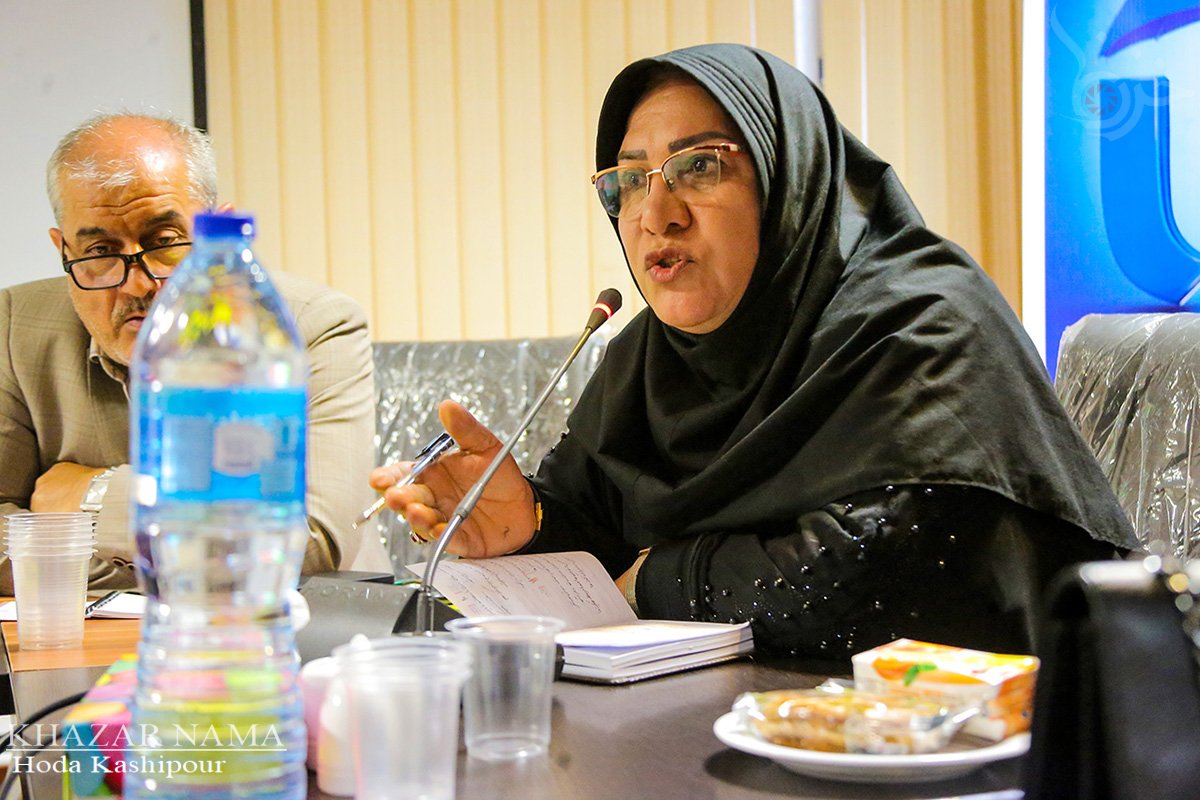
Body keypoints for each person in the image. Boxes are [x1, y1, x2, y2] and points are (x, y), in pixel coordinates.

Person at [372, 44, 1136, 659]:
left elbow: (884, 569)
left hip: (994, 747)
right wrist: (531, 523)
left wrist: (661, 580)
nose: (655, 215)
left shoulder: (923, 320)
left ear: (788, 180)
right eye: (629, 182)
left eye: (699, 166)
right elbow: (600, 537)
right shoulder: (648, 362)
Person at [0, 113, 387, 594]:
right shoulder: (14, 325)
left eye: (164, 243)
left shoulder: (312, 326)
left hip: (298, 626)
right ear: (63, 250)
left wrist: (94, 498)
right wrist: (197, 549)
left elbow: (311, 542)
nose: (137, 285)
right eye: (99, 251)